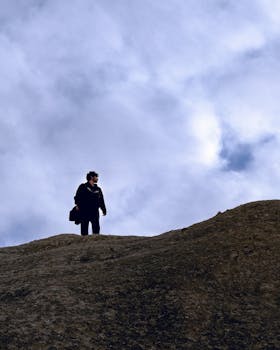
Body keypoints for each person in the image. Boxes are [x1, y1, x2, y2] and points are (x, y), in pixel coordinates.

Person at [74, 171, 107, 236]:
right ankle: (83, 244)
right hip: (84, 210)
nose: (97, 178)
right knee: (84, 230)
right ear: (91, 177)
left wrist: (104, 209)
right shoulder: (83, 186)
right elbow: (77, 196)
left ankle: (96, 244)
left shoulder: (98, 189)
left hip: (94, 211)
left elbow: (101, 200)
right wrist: (77, 205)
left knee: (96, 230)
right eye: (96, 177)